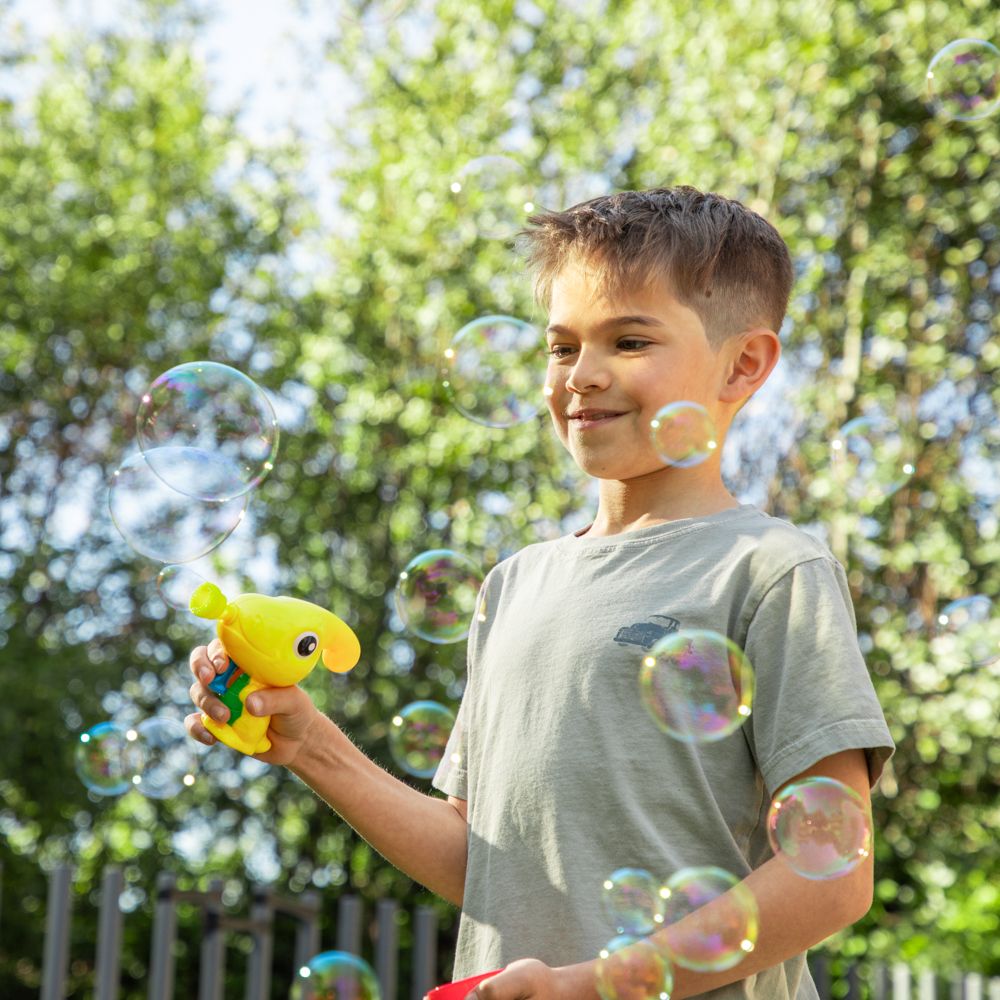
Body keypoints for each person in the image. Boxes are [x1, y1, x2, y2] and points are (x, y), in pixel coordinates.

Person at [185, 186, 895, 1000]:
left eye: (629, 341)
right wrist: (307, 742)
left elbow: (831, 875)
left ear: (743, 363)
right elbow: (485, 863)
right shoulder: (513, 584)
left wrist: (591, 986)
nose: (582, 376)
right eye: (562, 348)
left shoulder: (770, 569)